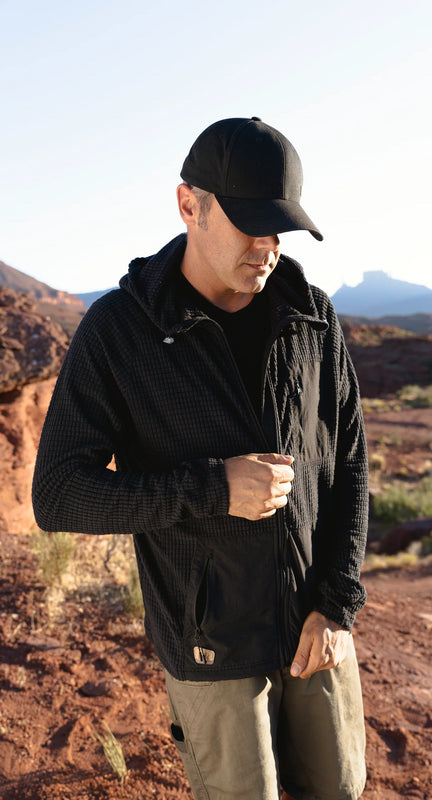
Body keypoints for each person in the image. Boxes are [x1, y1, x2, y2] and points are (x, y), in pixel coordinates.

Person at [32, 116, 369, 800]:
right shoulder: (121, 332)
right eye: (249, 223)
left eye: (280, 228)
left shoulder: (312, 317)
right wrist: (212, 488)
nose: (266, 246)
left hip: (316, 633)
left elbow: (352, 467)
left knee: (340, 790)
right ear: (189, 205)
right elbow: (60, 494)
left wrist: (336, 605)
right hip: (211, 650)